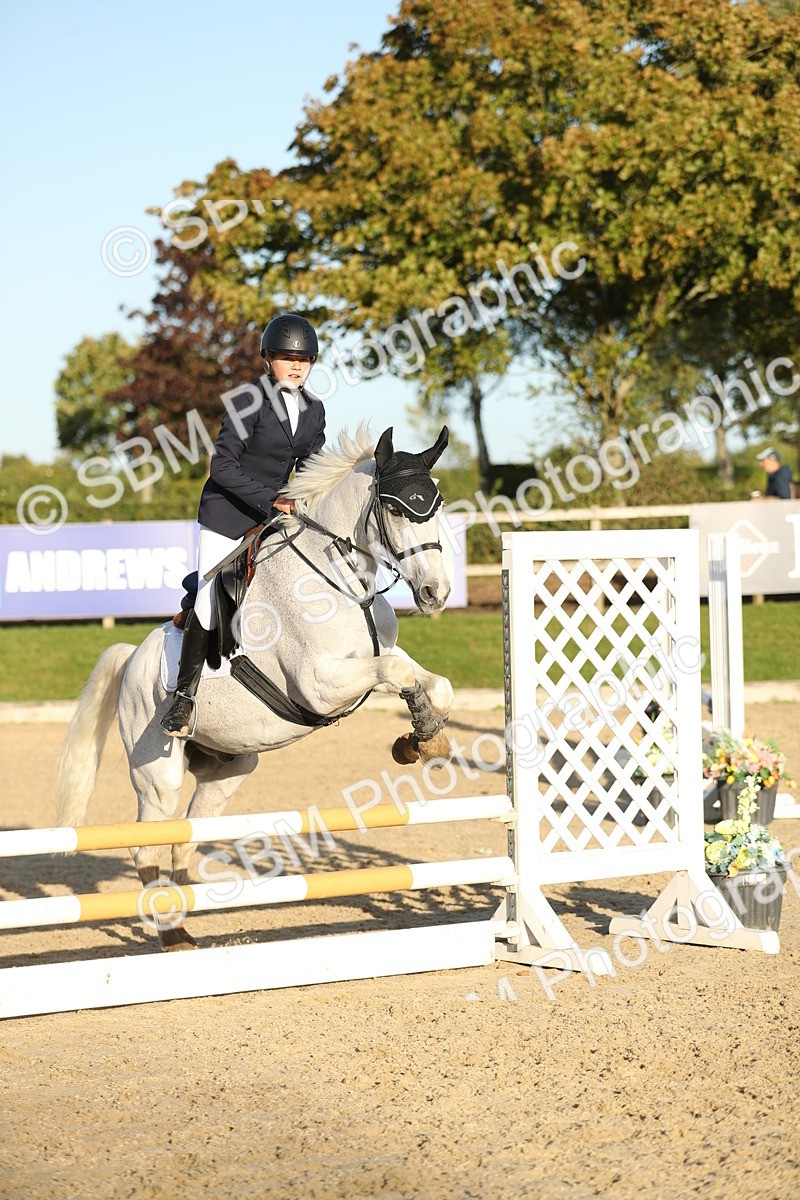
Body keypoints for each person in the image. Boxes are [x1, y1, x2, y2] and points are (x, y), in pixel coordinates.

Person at [161, 313, 326, 737]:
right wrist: (271, 498)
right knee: (208, 599)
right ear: (267, 359)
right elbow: (222, 466)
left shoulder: (314, 410)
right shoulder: (248, 399)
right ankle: (184, 695)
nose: (295, 366)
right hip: (228, 513)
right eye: (287, 358)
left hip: (274, 517)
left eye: (303, 360)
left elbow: (311, 470)